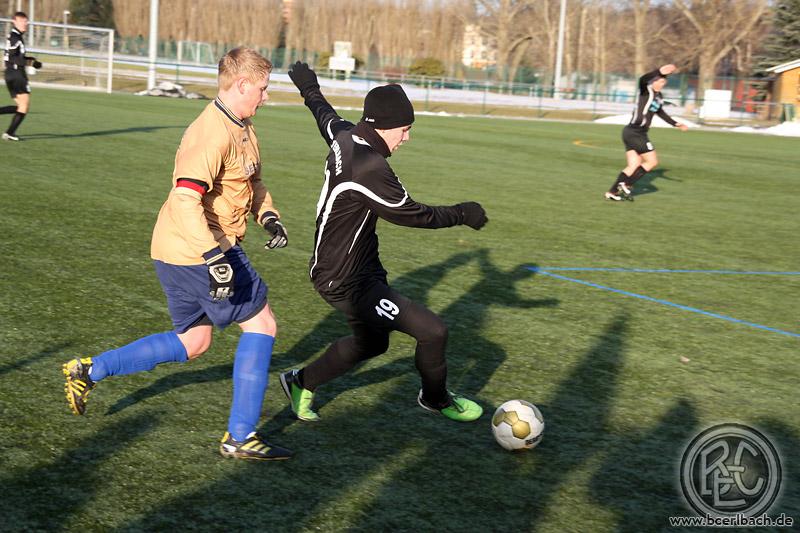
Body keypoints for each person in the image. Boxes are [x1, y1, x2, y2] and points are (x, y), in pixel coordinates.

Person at [62, 47, 292, 461]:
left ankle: (90, 370)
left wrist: (269, 216)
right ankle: (240, 436)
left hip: (179, 249)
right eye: (262, 88)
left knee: (193, 341)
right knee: (263, 324)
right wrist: (214, 258)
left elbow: (252, 183)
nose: (266, 95)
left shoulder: (242, 125)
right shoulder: (211, 133)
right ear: (242, 84)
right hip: (200, 248)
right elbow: (186, 199)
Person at [279, 62, 489, 424]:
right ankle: (435, 399)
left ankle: (300, 382)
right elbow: (412, 214)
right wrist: (462, 213)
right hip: (343, 278)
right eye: (404, 129)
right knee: (433, 332)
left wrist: (309, 87)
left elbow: (325, 116)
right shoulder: (369, 167)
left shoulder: (347, 137)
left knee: (373, 343)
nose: (406, 138)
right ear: (385, 126)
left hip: (358, 266)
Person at [605, 64, 688, 201]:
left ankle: (612, 192)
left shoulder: (659, 96)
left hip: (632, 132)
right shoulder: (646, 91)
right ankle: (625, 184)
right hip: (636, 132)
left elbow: (660, 112)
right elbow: (642, 79)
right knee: (652, 161)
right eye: (659, 81)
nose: (661, 84)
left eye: (663, 82)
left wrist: (676, 124)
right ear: (653, 81)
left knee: (633, 165)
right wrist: (659, 71)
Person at [2, 11, 41, 141]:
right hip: (17, 74)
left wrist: (32, 60)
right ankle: (9, 133)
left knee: (21, 106)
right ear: (14, 22)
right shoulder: (15, 37)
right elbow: (12, 57)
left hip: (10, 73)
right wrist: (30, 62)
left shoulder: (15, 36)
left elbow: (17, 56)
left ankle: (10, 133)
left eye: (26, 21)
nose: (25, 23)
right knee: (24, 106)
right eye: (22, 21)